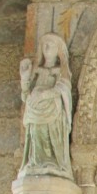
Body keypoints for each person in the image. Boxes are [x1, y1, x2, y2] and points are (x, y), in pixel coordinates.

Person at [19, 32, 74, 179]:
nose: (47, 47)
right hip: (34, 109)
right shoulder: (36, 70)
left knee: (49, 133)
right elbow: (25, 96)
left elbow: (63, 87)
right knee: (36, 134)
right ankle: (36, 161)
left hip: (52, 108)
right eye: (45, 45)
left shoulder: (61, 70)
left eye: (51, 45)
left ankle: (53, 161)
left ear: (59, 50)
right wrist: (24, 79)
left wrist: (44, 95)